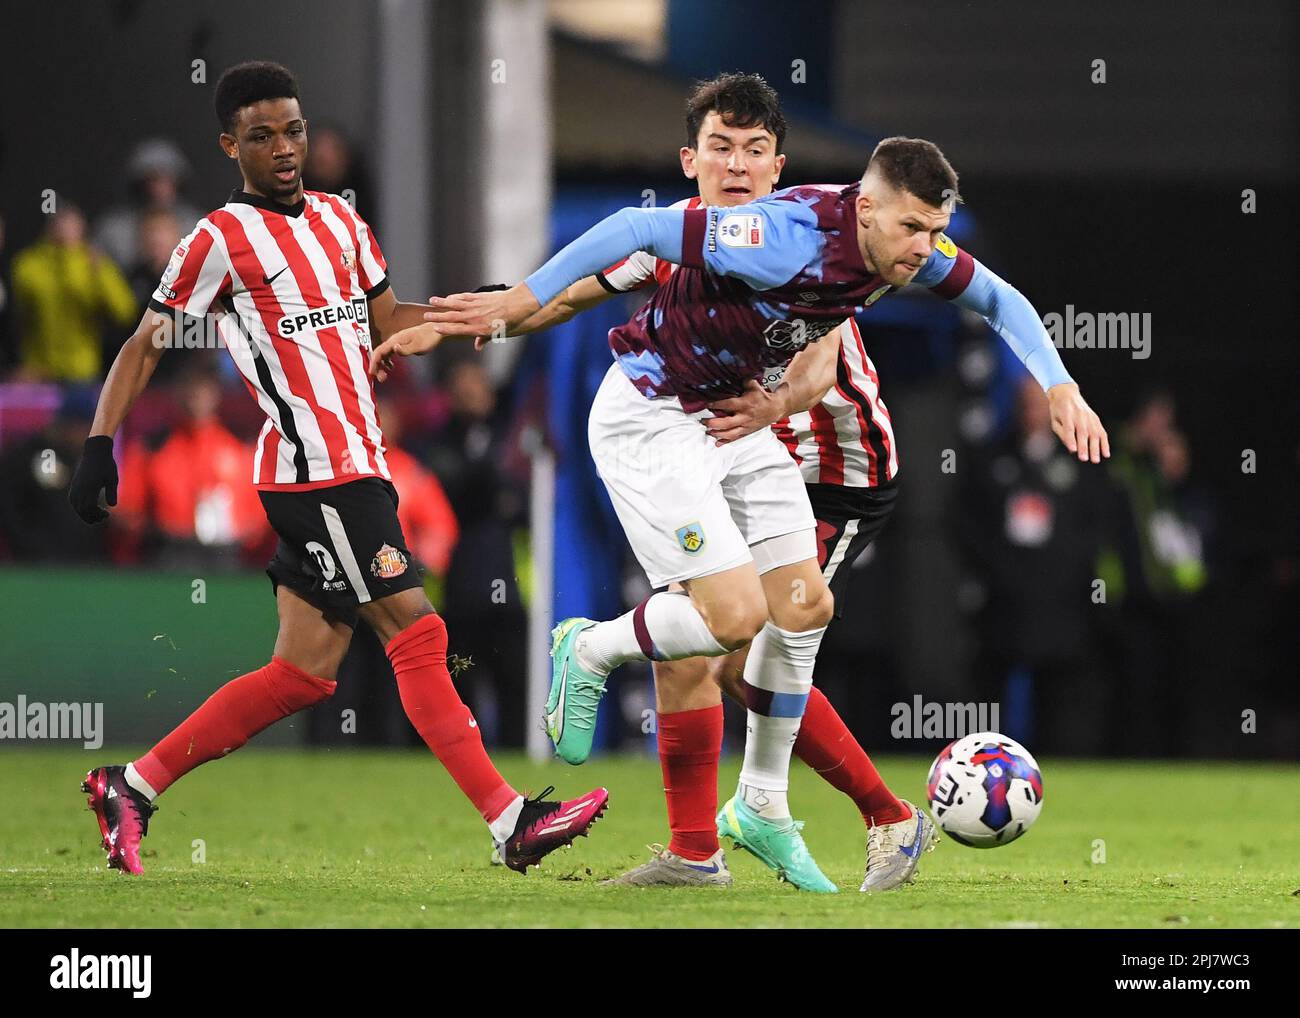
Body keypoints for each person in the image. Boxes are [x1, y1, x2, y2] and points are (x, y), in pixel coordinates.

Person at [378, 129, 1110, 895]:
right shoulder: (758, 237)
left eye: (754, 150)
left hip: (813, 463)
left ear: (778, 165)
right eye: (719, 149)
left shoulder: (850, 241)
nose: (927, 249)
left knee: (768, 625)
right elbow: (604, 259)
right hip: (686, 425)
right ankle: (671, 757)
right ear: (690, 160)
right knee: (725, 634)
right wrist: (497, 309)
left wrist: (1059, 384)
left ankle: (770, 810)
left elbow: (971, 304)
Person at [66, 61, 607, 877]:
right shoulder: (218, 238)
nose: (284, 149)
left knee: (302, 674)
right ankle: (510, 822)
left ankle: (131, 787)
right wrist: (99, 445)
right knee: (417, 634)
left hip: (358, 464)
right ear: (229, 145)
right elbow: (144, 344)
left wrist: (491, 313)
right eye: (261, 136)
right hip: (316, 474)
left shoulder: (341, 221)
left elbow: (392, 318)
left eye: (294, 130)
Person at [10, 203, 137, 382]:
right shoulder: (29, 264)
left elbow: (125, 312)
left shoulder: (96, 264)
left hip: (82, 369)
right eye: (60, 224)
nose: (65, 231)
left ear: (82, 228)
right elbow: (18, 315)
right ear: (49, 227)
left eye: (72, 225)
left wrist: (97, 274)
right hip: (38, 368)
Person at [93, 138, 203, 270]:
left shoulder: (198, 227)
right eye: (152, 180)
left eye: (166, 180)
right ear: (139, 184)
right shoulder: (113, 230)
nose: (159, 188)